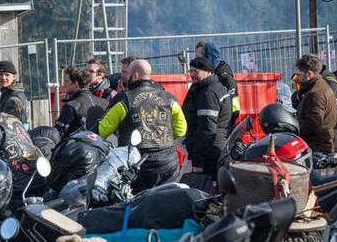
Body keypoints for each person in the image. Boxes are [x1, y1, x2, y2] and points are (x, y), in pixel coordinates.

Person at [98, 59, 187, 191]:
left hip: (137, 163)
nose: (123, 76)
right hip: (168, 161)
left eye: (126, 73)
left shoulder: (124, 99)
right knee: (167, 202)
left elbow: (102, 130)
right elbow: (181, 129)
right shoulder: (168, 97)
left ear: (135, 76)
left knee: (136, 206)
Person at [182, 57, 231, 178]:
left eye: (195, 71)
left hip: (209, 153)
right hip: (215, 147)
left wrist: (198, 159)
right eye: (190, 71)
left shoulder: (208, 94)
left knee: (205, 190)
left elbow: (207, 129)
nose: (191, 75)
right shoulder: (212, 87)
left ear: (208, 71)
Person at [293, 54, 337, 153]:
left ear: (308, 74)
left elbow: (313, 124)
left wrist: (293, 124)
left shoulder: (315, 94)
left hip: (317, 148)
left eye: (299, 74)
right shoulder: (322, 85)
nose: (297, 78)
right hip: (323, 144)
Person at [55, 66, 107, 138]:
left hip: (78, 147)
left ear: (76, 83)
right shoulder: (105, 103)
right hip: (103, 146)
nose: (64, 84)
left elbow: (58, 134)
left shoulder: (71, 106)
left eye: (66, 81)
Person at [198, 42, 240, 127]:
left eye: (200, 59)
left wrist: (220, 126)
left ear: (208, 59)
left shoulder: (226, 80)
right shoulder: (207, 77)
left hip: (222, 130)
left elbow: (235, 111)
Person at [0, 60, 29, 126]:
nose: (3, 78)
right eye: (0, 74)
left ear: (14, 77)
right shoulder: (5, 93)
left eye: (7, 75)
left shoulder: (13, 99)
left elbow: (9, 126)